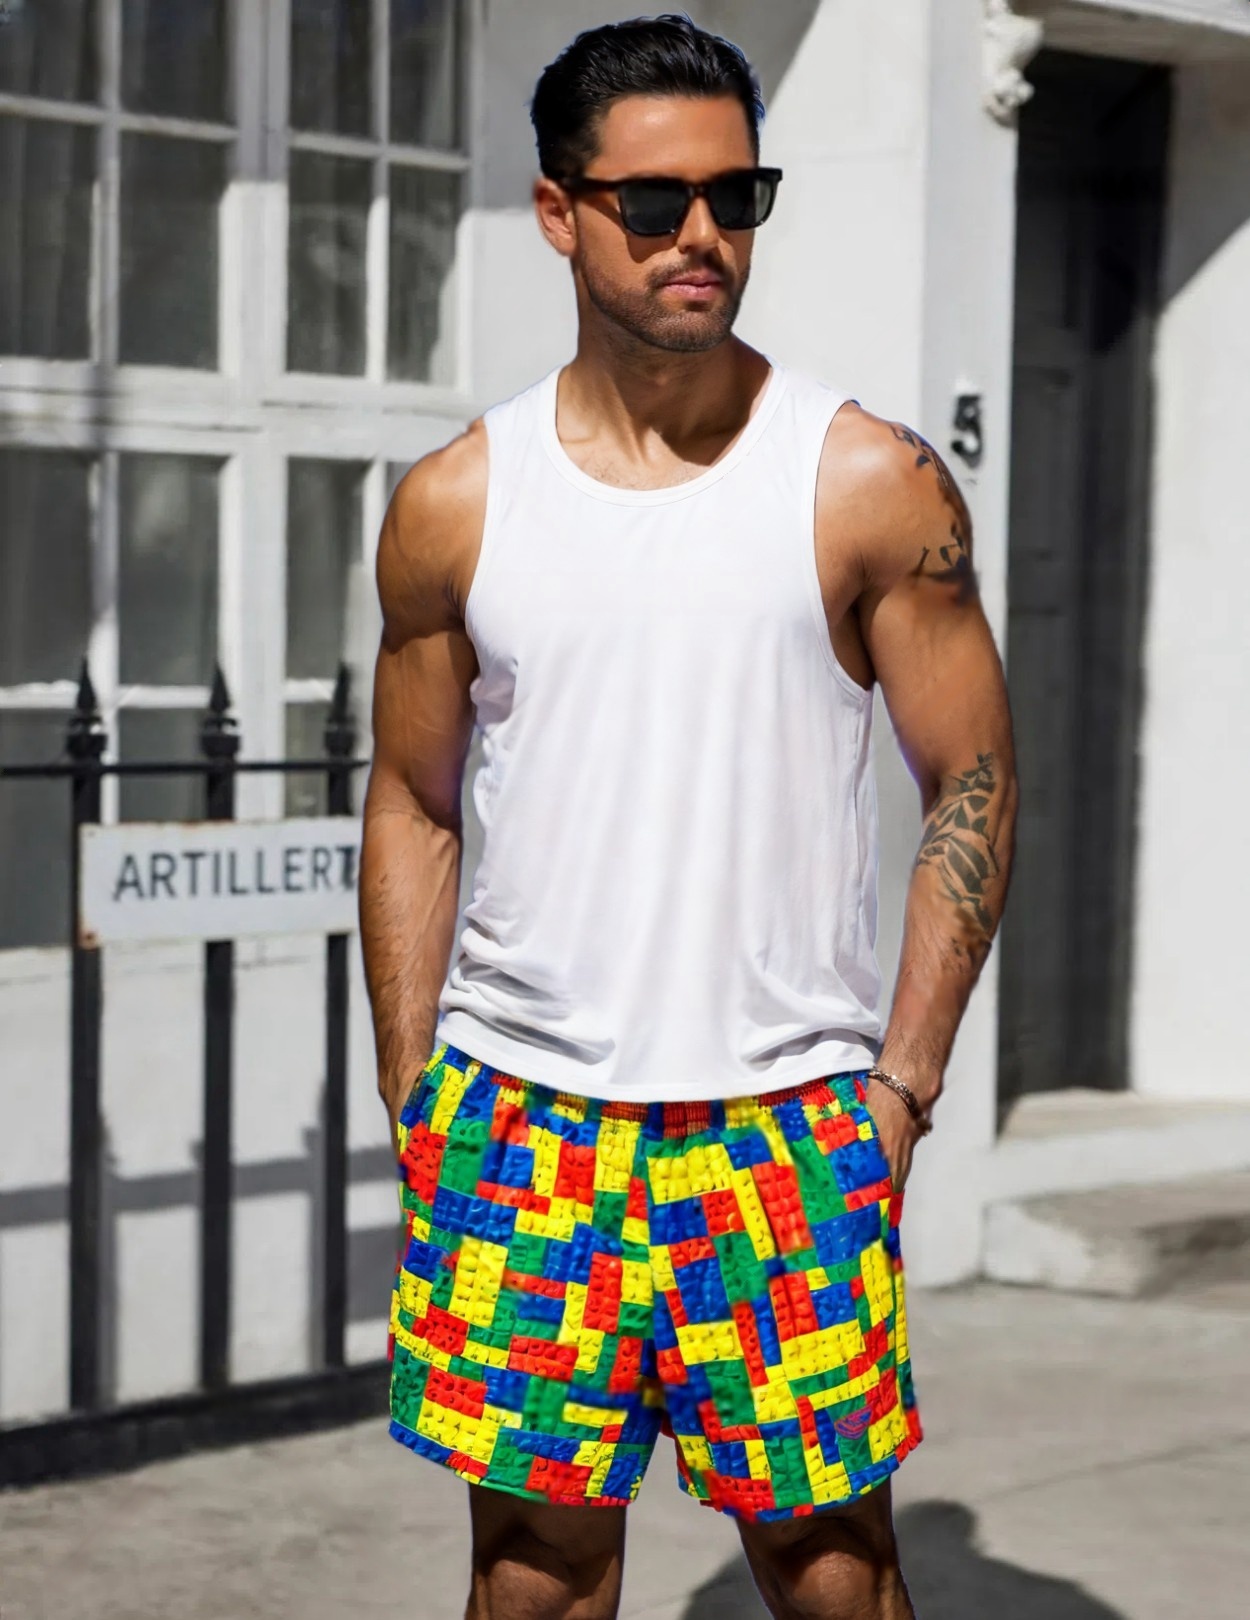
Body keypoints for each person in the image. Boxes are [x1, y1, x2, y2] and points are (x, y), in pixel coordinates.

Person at [360, 16, 1017, 1620]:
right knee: (533, 1568)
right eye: (654, 203)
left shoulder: (864, 480)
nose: (701, 235)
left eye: (737, 195)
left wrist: (902, 1088)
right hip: (524, 1125)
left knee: (831, 1567)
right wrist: (415, 1086)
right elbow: (412, 798)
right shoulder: (457, 500)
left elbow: (973, 778)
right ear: (557, 210)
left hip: (782, 1125)